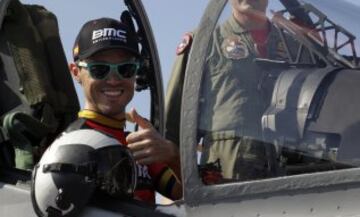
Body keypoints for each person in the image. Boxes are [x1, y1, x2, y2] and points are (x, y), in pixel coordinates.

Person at [165, 0, 292, 182]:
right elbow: (172, 133)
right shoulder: (202, 44)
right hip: (224, 183)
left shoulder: (296, 47)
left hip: (288, 178)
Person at [68, 17, 181, 203]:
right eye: (99, 69)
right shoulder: (69, 145)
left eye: (126, 69)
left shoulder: (140, 145)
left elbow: (197, 201)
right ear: (75, 72)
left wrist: (172, 154)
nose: (113, 80)